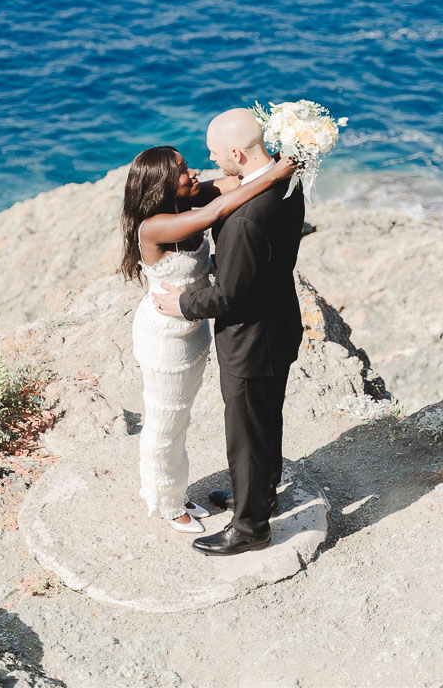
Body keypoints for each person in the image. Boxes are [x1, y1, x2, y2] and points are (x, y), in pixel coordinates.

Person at [120, 145, 297, 533]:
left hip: (193, 331)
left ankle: (185, 490)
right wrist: (274, 174)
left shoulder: (191, 196)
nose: (193, 173)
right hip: (165, 337)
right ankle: (166, 502)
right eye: (183, 171)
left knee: (181, 418)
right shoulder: (154, 226)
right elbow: (214, 214)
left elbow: (235, 181)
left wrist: (276, 153)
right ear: (162, 185)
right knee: (165, 421)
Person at [154, 109, 305, 555]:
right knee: (266, 420)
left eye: (215, 151)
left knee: (245, 434)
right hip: (280, 322)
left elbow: (228, 298)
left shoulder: (243, 220)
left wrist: (181, 304)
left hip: (250, 340)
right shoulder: (285, 180)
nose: (209, 156)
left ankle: (249, 527)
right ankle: (260, 496)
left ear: (237, 153)